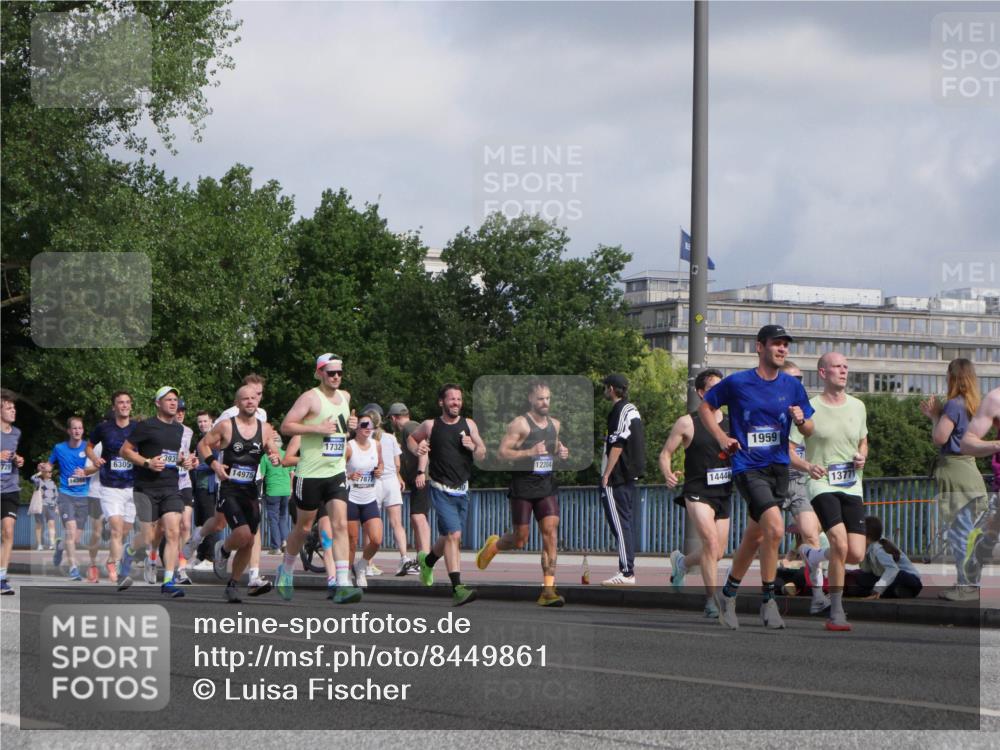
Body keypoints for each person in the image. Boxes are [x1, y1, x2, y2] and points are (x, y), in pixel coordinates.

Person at [700, 325, 814, 630]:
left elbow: (809, 428)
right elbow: (706, 407)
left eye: (785, 345)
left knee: (756, 536)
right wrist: (722, 438)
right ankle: (768, 600)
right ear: (760, 347)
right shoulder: (738, 382)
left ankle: (728, 594)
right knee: (775, 528)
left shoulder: (791, 386)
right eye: (776, 343)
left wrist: (802, 422)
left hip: (779, 467)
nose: (782, 349)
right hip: (748, 467)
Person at [790, 352, 869, 631]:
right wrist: (807, 466)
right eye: (837, 366)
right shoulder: (809, 408)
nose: (844, 371)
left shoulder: (858, 406)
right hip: (821, 483)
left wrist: (862, 456)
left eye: (846, 366)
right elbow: (789, 450)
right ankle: (836, 611)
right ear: (823, 373)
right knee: (839, 543)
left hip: (852, 483)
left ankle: (813, 556)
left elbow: (863, 441)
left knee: (856, 554)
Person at [476, 380, 570, 607]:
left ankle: (548, 590)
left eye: (548, 398)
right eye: (540, 399)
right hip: (523, 487)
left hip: (546, 486)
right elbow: (502, 453)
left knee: (551, 534)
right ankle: (494, 546)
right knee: (520, 540)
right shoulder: (520, 424)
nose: (545, 402)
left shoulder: (555, 424)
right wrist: (529, 451)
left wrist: (561, 451)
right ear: (530, 399)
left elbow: (553, 446)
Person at [277, 353, 362, 604]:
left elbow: (341, 430)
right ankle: (286, 570)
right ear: (319, 373)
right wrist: (316, 428)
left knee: (340, 524)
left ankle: (343, 583)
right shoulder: (310, 398)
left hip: (335, 472)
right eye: (330, 372)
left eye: (339, 373)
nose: (335, 377)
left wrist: (351, 427)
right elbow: (286, 426)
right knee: (303, 528)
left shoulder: (345, 397)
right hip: (310, 474)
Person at [200, 385, 281, 602]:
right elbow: (203, 445)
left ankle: (233, 585)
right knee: (243, 533)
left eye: (253, 398)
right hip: (230, 488)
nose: (250, 401)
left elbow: (271, 448)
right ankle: (223, 550)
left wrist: (274, 456)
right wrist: (215, 464)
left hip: (250, 490)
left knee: (250, 541)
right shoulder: (226, 426)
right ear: (237, 403)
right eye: (245, 399)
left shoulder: (265, 428)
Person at [660, 368, 730, 617]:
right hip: (697, 490)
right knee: (710, 543)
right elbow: (666, 453)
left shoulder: (733, 422)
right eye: (713, 388)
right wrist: (667, 473)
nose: (719, 392)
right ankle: (711, 601)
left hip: (724, 491)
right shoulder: (687, 422)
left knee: (718, 552)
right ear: (701, 393)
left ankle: (682, 563)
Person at [408, 383, 485, 606]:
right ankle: (457, 588)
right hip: (440, 488)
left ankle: (427, 562)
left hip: (462, 490)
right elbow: (412, 439)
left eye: (459, 399)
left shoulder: (469, 424)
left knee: (447, 537)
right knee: (454, 535)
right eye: (452, 399)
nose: (456, 403)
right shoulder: (430, 425)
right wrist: (417, 449)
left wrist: (473, 447)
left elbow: (483, 452)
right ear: (441, 402)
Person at [118, 387, 197, 598]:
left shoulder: (179, 429)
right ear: (157, 403)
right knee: (149, 536)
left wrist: (184, 461)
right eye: (168, 399)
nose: (173, 403)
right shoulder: (146, 426)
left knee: (173, 531)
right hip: (146, 487)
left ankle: (168, 581)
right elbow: (124, 451)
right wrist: (147, 462)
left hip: (171, 486)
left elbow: (172, 456)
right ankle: (128, 552)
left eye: (175, 400)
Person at [920, 359, 987, 601]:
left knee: (960, 534)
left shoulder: (953, 405)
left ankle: (967, 586)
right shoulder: (974, 405)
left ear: (952, 376)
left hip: (955, 473)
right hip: (971, 471)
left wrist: (934, 416)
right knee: (968, 532)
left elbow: (940, 438)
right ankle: (969, 583)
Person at [782, 360, 829, 614]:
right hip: (772, 481)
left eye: (800, 380)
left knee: (811, 536)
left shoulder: (806, 410)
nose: (797, 384)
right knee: (759, 538)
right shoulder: (769, 408)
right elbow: (785, 452)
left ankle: (818, 596)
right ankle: (731, 586)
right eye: (792, 380)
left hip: (800, 482)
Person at [599, 373, 646, 586]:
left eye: (605, 387)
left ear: (611, 389)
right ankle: (627, 569)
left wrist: (607, 474)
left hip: (617, 476)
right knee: (625, 522)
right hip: (628, 475)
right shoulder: (631, 409)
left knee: (619, 524)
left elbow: (617, 444)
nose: (605, 390)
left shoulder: (620, 410)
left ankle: (626, 572)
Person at [40, 416, 95, 582]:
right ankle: (73, 569)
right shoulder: (59, 448)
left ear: (83, 430)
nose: (77, 431)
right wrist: (44, 467)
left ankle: (60, 546)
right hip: (66, 494)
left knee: (75, 538)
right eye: (74, 428)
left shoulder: (88, 447)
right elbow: (49, 465)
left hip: (84, 496)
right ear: (69, 431)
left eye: (80, 428)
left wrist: (86, 472)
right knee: (70, 531)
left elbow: (97, 466)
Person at [959, 387, 1000, 581]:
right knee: (993, 530)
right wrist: (997, 445)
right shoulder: (996, 398)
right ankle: (981, 550)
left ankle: (983, 546)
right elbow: (967, 443)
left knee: (994, 529)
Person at [367, 406, 412, 576]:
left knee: (370, 524)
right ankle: (404, 558)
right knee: (397, 523)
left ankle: (368, 563)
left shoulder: (365, 439)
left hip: (373, 482)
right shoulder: (391, 438)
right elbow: (397, 464)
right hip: (391, 481)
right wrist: (398, 476)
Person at [345, 413, 384, 588]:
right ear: (356, 428)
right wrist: (349, 476)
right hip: (351, 498)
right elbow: (337, 469)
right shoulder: (349, 447)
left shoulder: (376, 445)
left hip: (369, 498)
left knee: (376, 539)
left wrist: (379, 470)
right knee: (351, 541)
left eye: (371, 425)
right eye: (364, 425)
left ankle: (361, 566)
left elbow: (381, 464)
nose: (368, 428)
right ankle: (346, 574)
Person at [389, 402, 428, 574]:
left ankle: (425, 561)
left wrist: (421, 472)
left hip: (422, 478)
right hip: (417, 479)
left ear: (393, 418)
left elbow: (423, 448)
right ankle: (421, 559)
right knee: (416, 518)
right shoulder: (411, 427)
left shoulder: (409, 427)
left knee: (419, 517)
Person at [857, 515, 923, 599]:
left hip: (910, 580)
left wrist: (878, 589)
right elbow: (867, 570)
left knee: (896, 576)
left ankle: (896, 591)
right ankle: (895, 591)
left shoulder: (878, 549)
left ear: (867, 537)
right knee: (862, 578)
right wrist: (862, 553)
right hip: (894, 580)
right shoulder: (869, 547)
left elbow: (892, 570)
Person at [1, 391, 25, 595]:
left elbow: (12, 455)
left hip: (10, 488)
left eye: (14, 408)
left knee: (8, 531)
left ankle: (1, 578)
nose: (13, 411)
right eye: (9, 408)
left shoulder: (16, 433)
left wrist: (17, 459)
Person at [260, 429, 291, 554]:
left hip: (272, 491)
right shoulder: (286, 455)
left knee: (273, 519)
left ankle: (275, 546)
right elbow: (292, 473)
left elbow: (261, 476)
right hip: (286, 491)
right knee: (283, 517)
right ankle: (285, 541)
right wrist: (291, 489)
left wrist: (259, 492)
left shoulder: (265, 457)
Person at [31, 467, 59, 552]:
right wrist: (40, 472)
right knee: (39, 525)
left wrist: (56, 506)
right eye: (48, 472)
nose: (50, 473)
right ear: (44, 473)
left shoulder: (53, 483)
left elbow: (56, 495)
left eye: (51, 472)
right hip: (40, 505)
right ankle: (39, 545)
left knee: (52, 524)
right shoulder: (39, 481)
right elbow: (32, 478)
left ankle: (52, 544)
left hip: (51, 506)